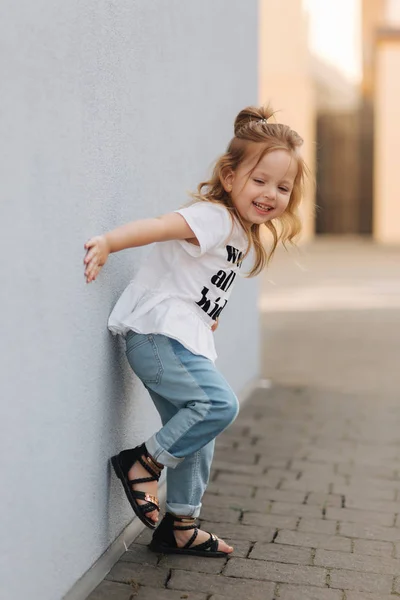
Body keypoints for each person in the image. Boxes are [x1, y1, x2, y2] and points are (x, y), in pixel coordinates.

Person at [83, 105, 306, 557]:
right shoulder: (214, 217)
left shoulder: (240, 233)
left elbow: (195, 280)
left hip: (179, 340)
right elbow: (160, 227)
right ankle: (142, 462)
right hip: (157, 338)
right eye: (259, 180)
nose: (270, 194)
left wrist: (207, 315)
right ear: (229, 177)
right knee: (218, 405)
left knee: (198, 431)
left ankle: (179, 524)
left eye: (282, 187)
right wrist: (108, 242)